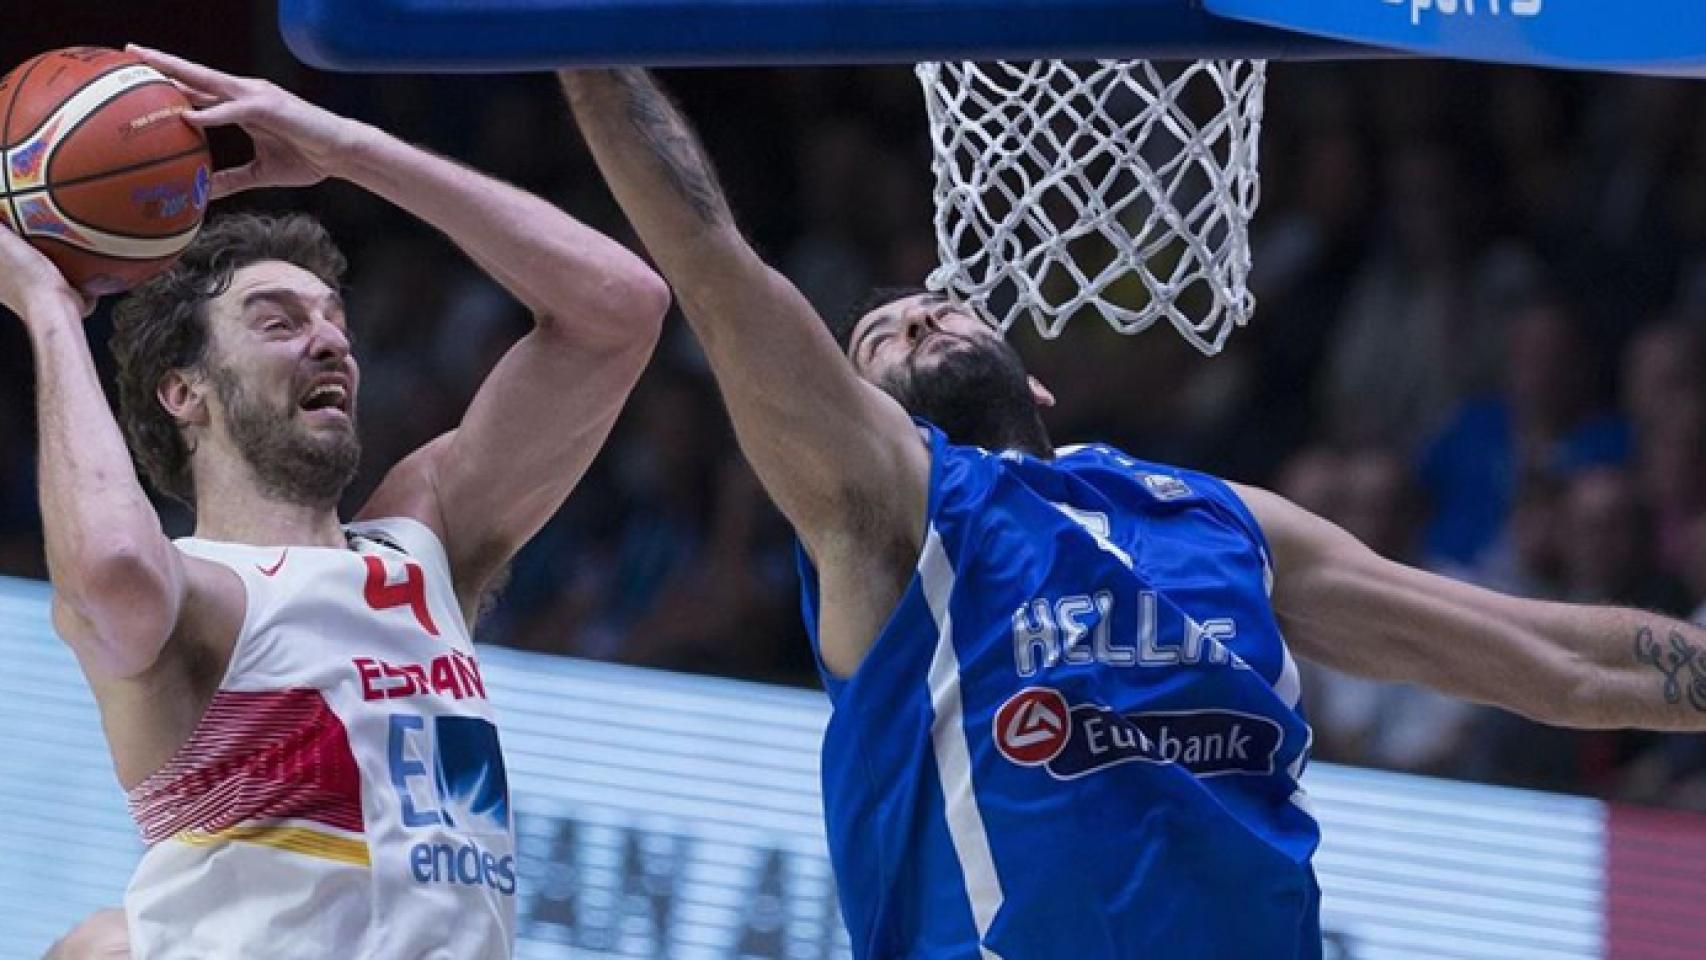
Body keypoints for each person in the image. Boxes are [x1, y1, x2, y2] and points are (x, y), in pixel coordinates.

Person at [560, 68, 1706, 959]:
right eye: (876, 342)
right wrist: (587, 53)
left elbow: (1545, 657)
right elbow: (708, 261)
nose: (912, 321)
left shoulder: (1221, 520)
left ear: (1039, 383)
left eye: (937, 310)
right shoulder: (893, 520)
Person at [1, 48, 668, 959]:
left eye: (334, 320)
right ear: (184, 392)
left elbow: (620, 309)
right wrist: (49, 309)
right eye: (279, 322)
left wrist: (350, 149)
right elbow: (111, 565)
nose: (330, 342)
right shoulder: (196, 591)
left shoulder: (424, 541)